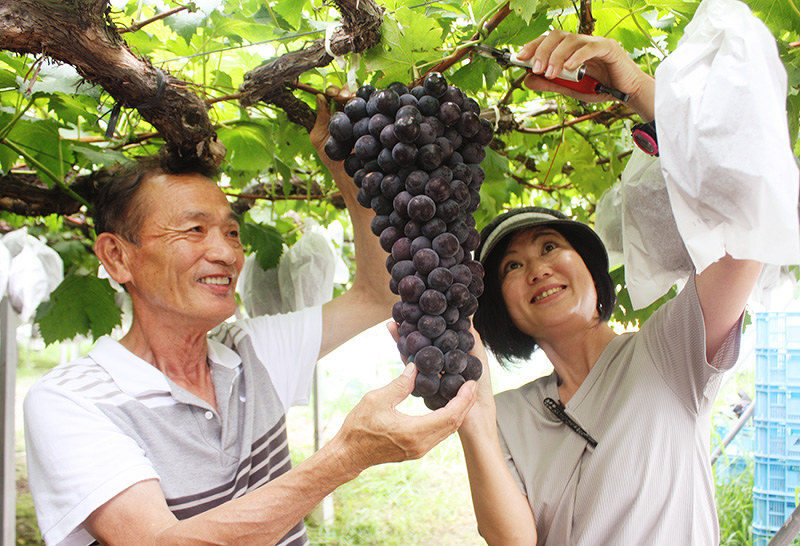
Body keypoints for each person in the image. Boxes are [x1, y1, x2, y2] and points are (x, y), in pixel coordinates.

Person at [22, 95, 477, 546]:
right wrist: (344, 457)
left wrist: (344, 164)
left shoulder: (249, 352)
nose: (226, 253)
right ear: (117, 257)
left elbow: (377, 294)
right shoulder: (70, 401)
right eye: (194, 229)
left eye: (231, 232)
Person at [456, 30, 765, 545]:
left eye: (551, 246)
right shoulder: (504, 414)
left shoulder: (669, 354)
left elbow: (749, 219)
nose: (536, 268)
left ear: (593, 273)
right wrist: (474, 414)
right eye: (511, 267)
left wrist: (639, 89)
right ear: (501, 313)